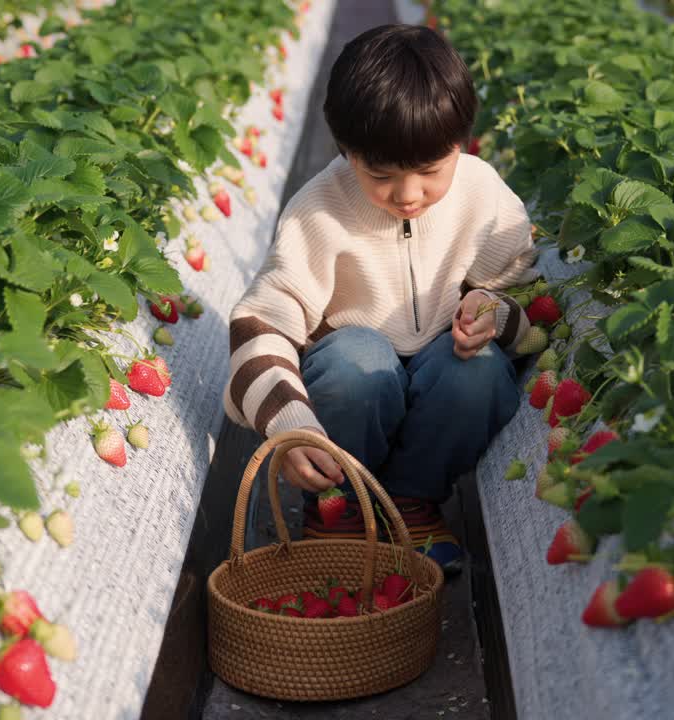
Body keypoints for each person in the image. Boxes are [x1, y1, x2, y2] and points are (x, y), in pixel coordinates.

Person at [223, 23, 540, 575]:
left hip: (440, 368)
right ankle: (337, 509)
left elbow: (521, 289)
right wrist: (290, 426)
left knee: (481, 373)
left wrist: (489, 313)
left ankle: (413, 504)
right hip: (347, 383)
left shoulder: (483, 194)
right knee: (358, 361)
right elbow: (263, 319)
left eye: (430, 171)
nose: (409, 194)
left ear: (461, 145)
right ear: (346, 151)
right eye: (382, 175)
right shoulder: (318, 211)